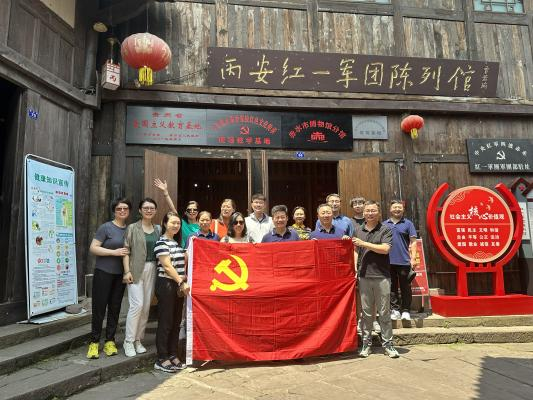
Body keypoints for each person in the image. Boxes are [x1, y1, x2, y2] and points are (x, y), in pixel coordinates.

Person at [353, 200, 399, 359]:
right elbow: (356, 250)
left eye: (373, 210)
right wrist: (355, 268)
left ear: (379, 213)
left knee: (384, 312)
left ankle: (388, 344)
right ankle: (366, 344)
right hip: (364, 276)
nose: (370, 213)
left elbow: (385, 249)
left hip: (382, 276)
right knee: (366, 314)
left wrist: (364, 243)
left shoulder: (385, 229)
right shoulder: (358, 230)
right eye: (367, 211)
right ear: (363, 213)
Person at [87, 198, 131, 359]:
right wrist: (114, 252)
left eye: (125, 208)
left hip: (120, 275)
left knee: (115, 307)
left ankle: (110, 341)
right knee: (99, 308)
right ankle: (94, 342)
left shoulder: (130, 229)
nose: (122, 211)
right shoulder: (106, 227)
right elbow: (93, 248)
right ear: (114, 211)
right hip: (103, 272)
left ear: (129, 211)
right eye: (119, 208)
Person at [122, 198, 160, 357]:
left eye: (152, 208)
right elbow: (126, 251)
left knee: (145, 307)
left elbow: (175, 217)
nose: (149, 210)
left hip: (153, 269)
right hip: (136, 269)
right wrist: (127, 271)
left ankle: (138, 339)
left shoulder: (158, 229)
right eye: (146, 208)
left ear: (155, 211)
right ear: (140, 210)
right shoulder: (132, 228)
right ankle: (128, 341)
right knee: (136, 305)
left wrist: (165, 194)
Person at [153, 212, 190, 373]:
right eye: (172, 223)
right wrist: (181, 281)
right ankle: (161, 358)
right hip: (166, 284)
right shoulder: (161, 243)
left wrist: (183, 278)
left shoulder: (176, 243)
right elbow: (167, 267)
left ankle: (173, 354)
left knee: (176, 322)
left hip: (177, 285)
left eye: (178, 223)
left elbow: (180, 265)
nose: (176, 226)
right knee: (166, 322)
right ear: (164, 223)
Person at [384, 200, 418, 321]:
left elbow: (413, 242)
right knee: (391, 287)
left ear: (403, 210)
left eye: (399, 207)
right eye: (394, 207)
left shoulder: (408, 223)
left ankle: (406, 310)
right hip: (387, 261)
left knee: (405, 287)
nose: (397, 209)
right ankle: (395, 310)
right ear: (390, 209)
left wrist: (413, 258)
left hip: (404, 261)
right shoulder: (384, 224)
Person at [153, 178, 199, 248]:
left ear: (198, 212)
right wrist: (166, 193)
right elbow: (172, 208)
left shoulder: (201, 225)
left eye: (194, 210)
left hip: (197, 252)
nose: (192, 211)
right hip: (182, 251)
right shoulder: (181, 223)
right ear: (185, 212)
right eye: (189, 210)